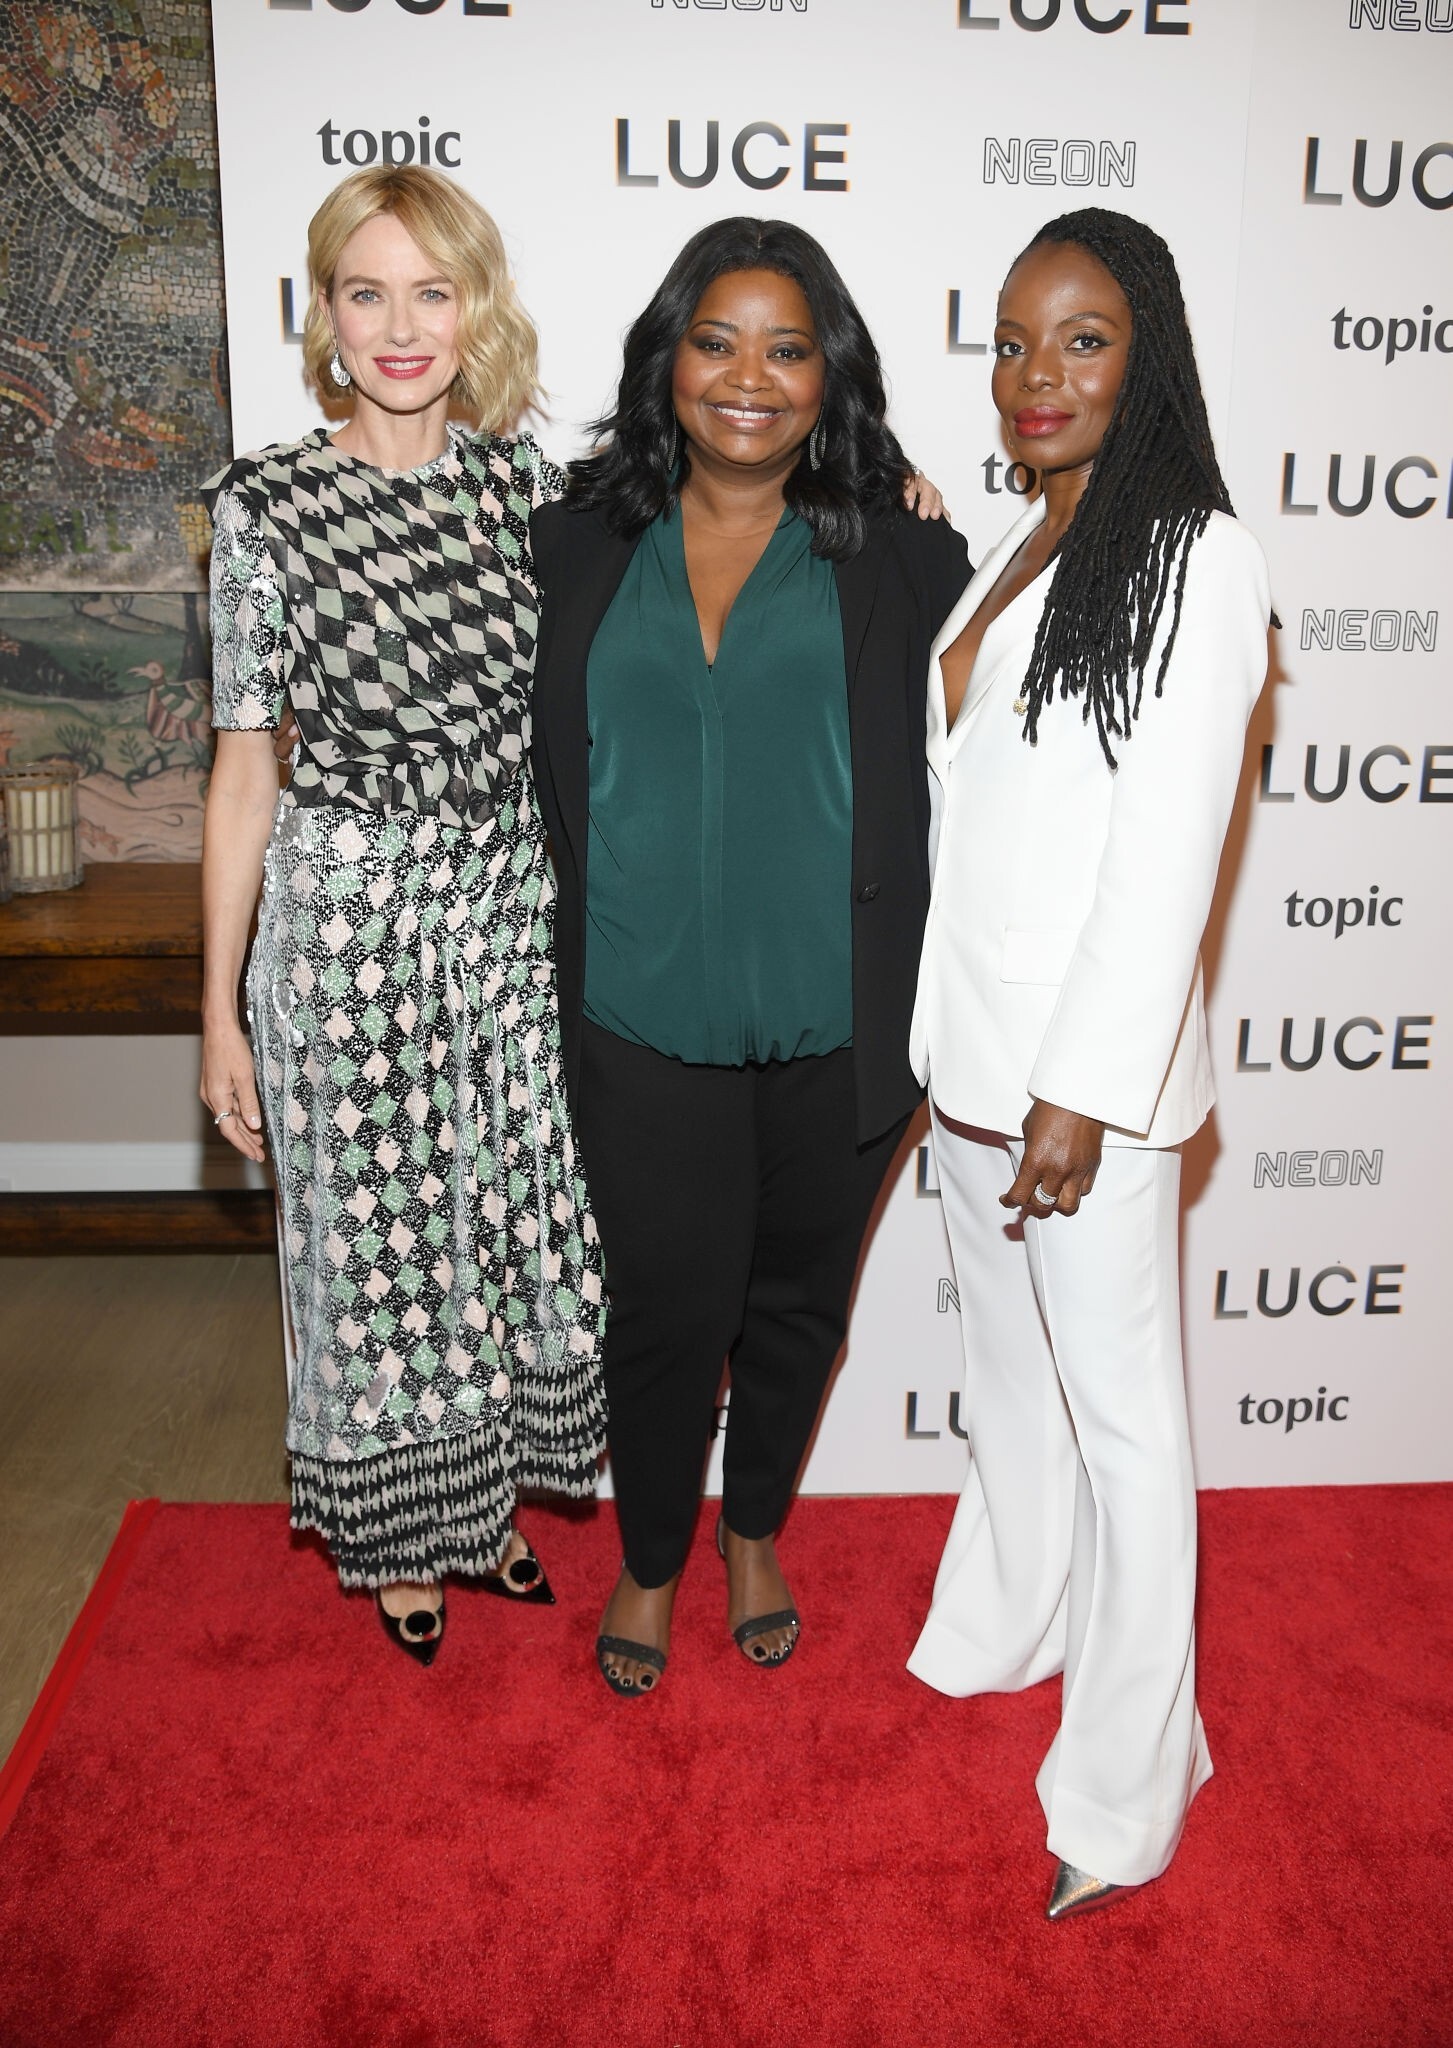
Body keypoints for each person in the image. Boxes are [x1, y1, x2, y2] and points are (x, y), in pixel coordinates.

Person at [528, 217, 969, 1697]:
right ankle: (654, 1554)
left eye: (787, 350)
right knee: (665, 1309)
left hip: (842, 1020)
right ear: (668, 358)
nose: (747, 377)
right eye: (715, 342)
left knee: (798, 1306)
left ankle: (756, 1529)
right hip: (635, 1014)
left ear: (828, 376)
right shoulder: (570, 543)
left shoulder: (907, 554)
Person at [906, 208, 1271, 1916]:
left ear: (1149, 358)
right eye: (1010, 341)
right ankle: (1008, 1620)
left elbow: (1167, 855)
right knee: (1011, 1384)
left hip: (1080, 1097)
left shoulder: (1197, 555)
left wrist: (1083, 1088)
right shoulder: (1019, 536)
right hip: (969, 1064)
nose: (1033, 373)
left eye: (1081, 338)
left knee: (1125, 1425)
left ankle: (1131, 1781)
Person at [199, 166, 607, 1664]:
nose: (400, 326)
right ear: (325, 313)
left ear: (473, 307)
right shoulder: (265, 507)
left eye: (431, 292)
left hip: (508, 922)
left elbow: (717, 521)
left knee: (497, 1224)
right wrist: (217, 1007)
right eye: (366, 293)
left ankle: (478, 1507)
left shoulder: (530, 495)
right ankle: (396, 1543)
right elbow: (246, 770)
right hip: (346, 934)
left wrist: (880, 487)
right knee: (375, 1246)